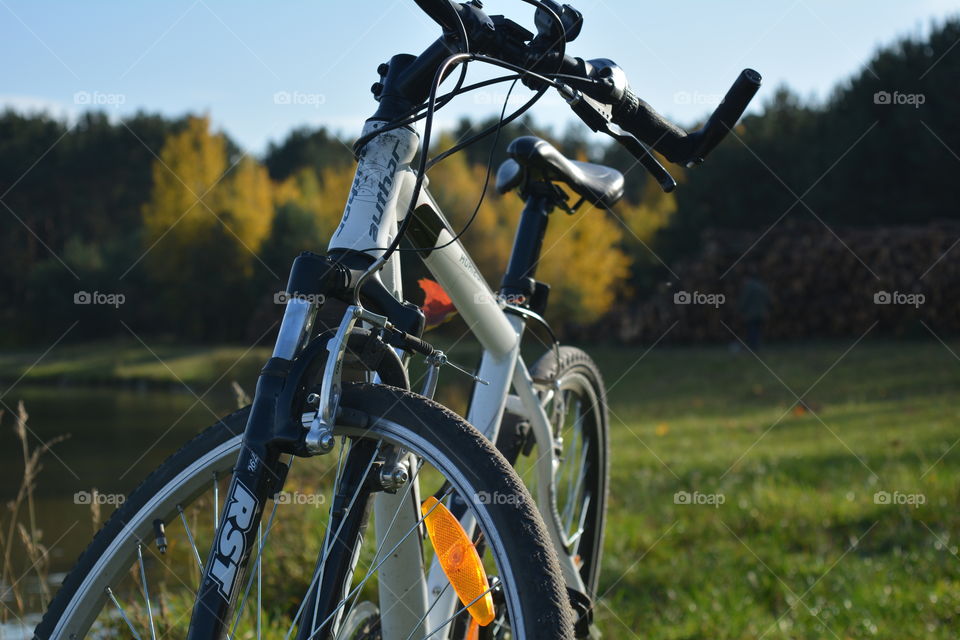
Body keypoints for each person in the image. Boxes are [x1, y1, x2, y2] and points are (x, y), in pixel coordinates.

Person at [738, 266, 772, 350]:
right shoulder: (762, 286)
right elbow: (768, 299)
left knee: (751, 331)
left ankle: (753, 347)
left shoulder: (748, 287)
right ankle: (757, 346)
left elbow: (744, 300)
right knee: (758, 331)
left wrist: (740, 310)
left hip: (751, 313)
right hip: (762, 312)